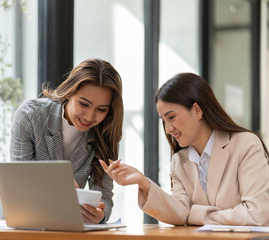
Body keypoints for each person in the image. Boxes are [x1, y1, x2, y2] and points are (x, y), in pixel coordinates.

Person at [100, 73, 269, 226]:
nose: (168, 129)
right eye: (163, 121)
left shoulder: (246, 145)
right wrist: (143, 182)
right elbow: (181, 213)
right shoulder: (179, 161)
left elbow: (257, 214)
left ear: (197, 110)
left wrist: (196, 215)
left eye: (172, 117)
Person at [0, 58, 124, 224]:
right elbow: (19, 181)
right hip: (11, 220)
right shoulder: (30, 116)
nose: (90, 116)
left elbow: (105, 196)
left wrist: (100, 215)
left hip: (62, 225)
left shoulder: (105, 133)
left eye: (101, 109)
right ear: (69, 92)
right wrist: (57, 184)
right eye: (83, 104)